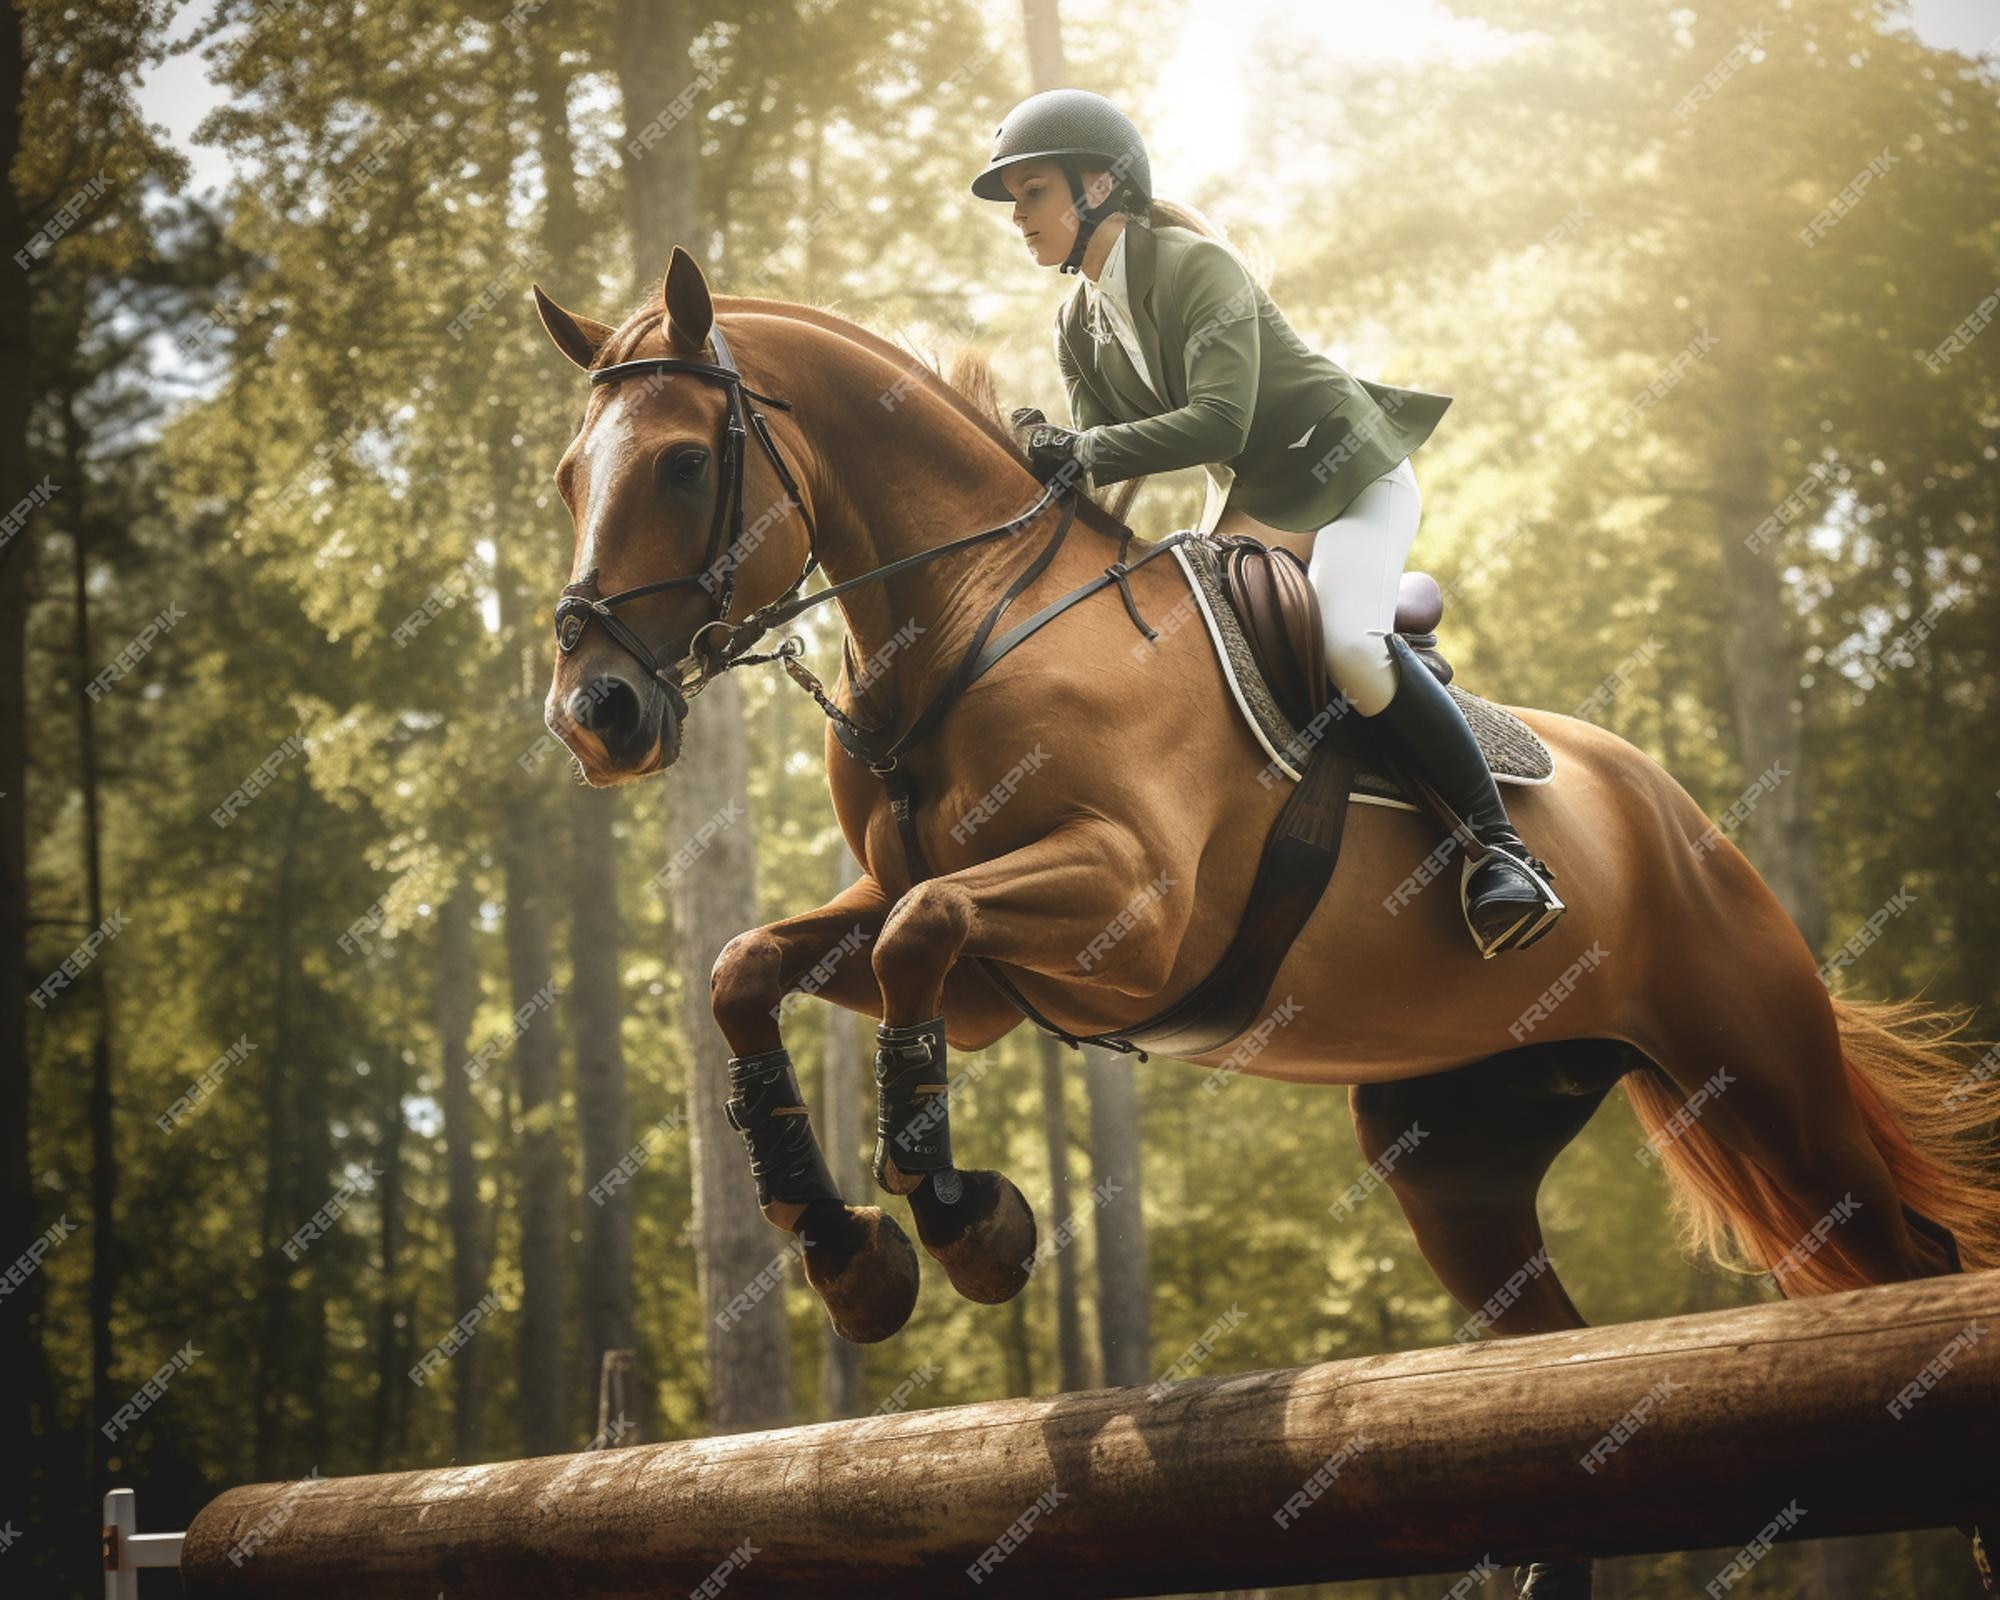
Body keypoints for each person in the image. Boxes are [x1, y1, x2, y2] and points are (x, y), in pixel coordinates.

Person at [970, 88, 1562, 957]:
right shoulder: (1077, 323)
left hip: (1352, 470)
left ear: (1098, 185)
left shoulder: (1196, 267)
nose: (1018, 217)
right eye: (1014, 200)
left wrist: (1077, 448)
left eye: (1032, 193)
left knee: (1349, 645)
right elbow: (1107, 459)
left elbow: (1219, 424)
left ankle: (1501, 852)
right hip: (1257, 497)